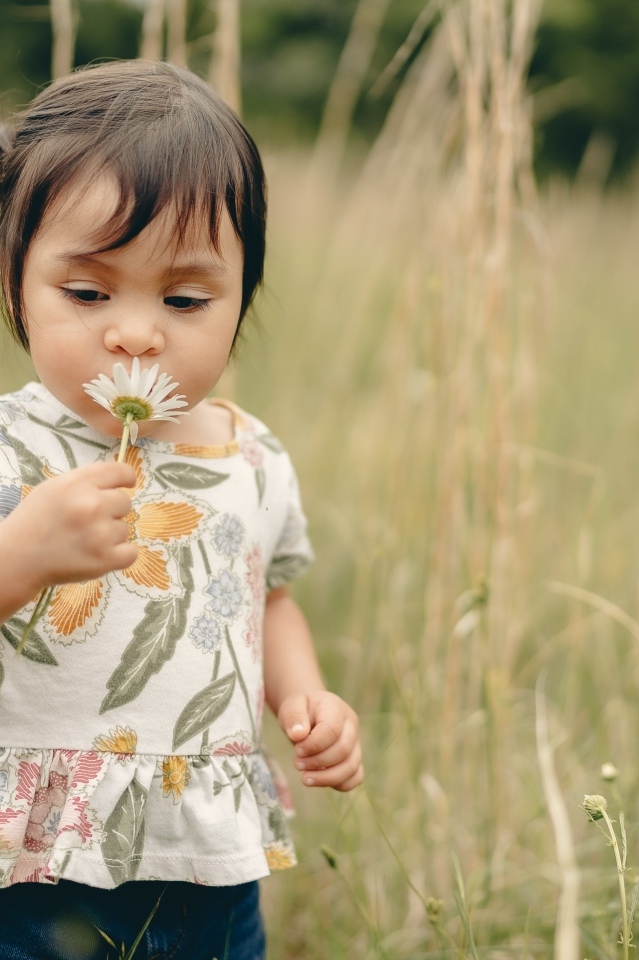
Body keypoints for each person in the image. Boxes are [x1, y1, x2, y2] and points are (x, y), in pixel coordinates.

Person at [0, 60, 363, 960]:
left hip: (208, 847)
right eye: (86, 293)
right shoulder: (11, 448)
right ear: (15, 284)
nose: (135, 332)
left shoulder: (250, 455)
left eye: (186, 299)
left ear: (241, 300)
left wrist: (304, 694)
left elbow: (267, 593)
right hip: (37, 859)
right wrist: (26, 553)